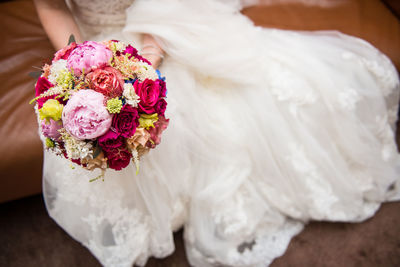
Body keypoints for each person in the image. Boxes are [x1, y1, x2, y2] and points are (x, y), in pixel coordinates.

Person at [33, 0, 400, 266]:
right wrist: (77, 63)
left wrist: (143, 64)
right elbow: (51, 5)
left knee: (207, 111)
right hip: (96, 42)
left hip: (162, 26)